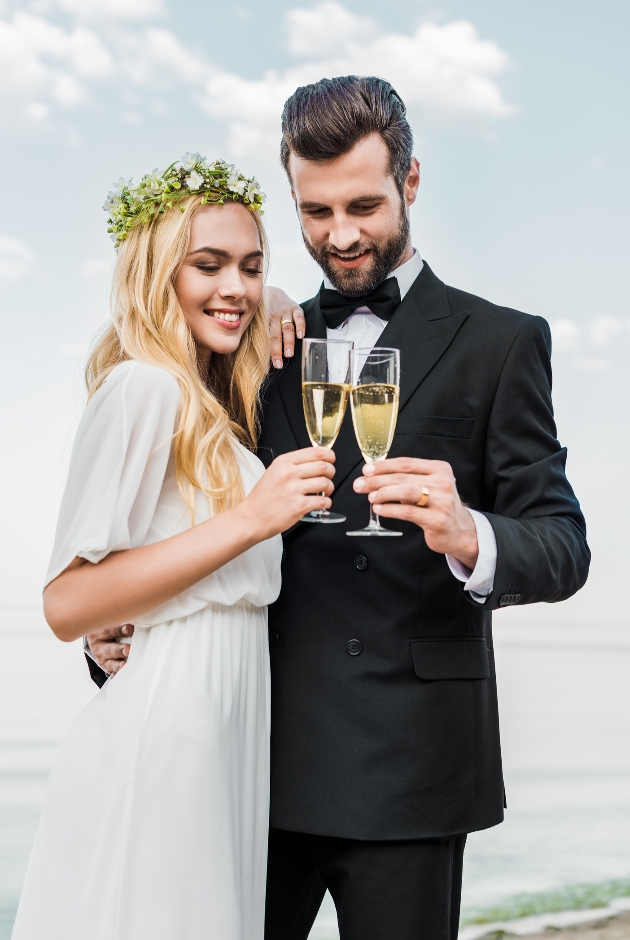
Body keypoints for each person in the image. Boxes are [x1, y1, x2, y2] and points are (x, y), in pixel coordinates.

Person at [87, 78, 591, 940]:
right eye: (315, 212)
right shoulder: (255, 338)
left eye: (363, 204)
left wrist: (471, 533)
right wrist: (118, 629)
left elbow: (561, 543)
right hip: (252, 754)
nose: (341, 234)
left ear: (413, 180)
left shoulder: (504, 341)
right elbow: (181, 507)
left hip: (416, 766)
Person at [12, 156, 336, 940]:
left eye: (252, 266)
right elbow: (67, 603)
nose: (235, 286)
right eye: (208, 264)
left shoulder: (207, 402)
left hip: (226, 730)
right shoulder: (143, 389)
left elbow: (143, 569)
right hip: (168, 732)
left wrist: (277, 296)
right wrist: (252, 519)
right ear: (160, 274)